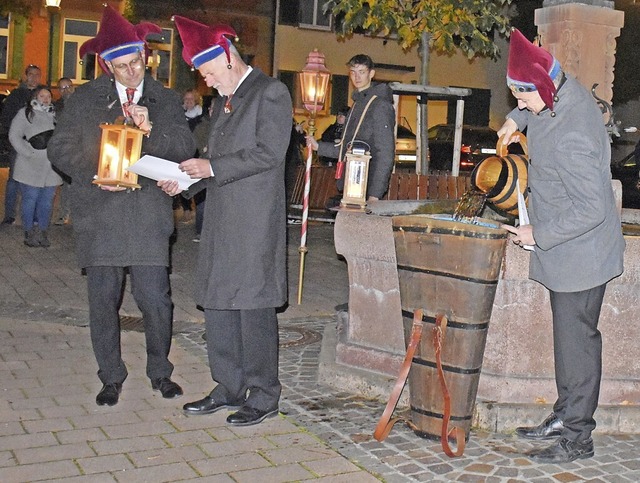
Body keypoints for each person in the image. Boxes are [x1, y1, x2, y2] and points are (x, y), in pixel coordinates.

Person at [47, 6, 196, 407]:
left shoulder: (163, 98)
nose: (132, 72)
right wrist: (98, 171)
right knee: (103, 301)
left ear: (144, 55)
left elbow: (184, 149)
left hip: (147, 215)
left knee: (155, 300)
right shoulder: (84, 99)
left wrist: (151, 131)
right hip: (101, 215)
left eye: (137, 62)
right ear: (107, 65)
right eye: (122, 66)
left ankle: (160, 372)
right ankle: (110, 376)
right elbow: (59, 149)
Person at [497, 29, 625, 464]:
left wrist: (539, 235)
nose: (520, 102)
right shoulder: (558, 93)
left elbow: (593, 208)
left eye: (522, 97)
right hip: (569, 252)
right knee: (567, 341)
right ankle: (564, 414)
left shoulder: (575, 134)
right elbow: (538, 108)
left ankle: (578, 437)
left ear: (544, 87)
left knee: (578, 344)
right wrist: (518, 119)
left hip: (581, 254)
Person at [163, 15, 291, 426]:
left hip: (253, 225)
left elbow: (269, 153)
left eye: (209, 72)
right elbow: (214, 164)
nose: (208, 82)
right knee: (218, 304)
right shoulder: (223, 102)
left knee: (252, 307)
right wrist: (184, 184)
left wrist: (211, 167)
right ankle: (229, 385)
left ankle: (264, 392)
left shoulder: (270, 92)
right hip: (220, 221)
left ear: (226, 56)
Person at [306, 54, 395, 202]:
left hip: (366, 186)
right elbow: (348, 146)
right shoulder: (358, 102)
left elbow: (385, 152)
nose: (357, 77)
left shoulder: (379, 105)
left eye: (362, 72)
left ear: (371, 74)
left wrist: (375, 194)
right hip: (354, 183)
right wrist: (319, 147)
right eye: (353, 72)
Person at [8, 86, 62, 247]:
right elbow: (14, 135)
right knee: (30, 199)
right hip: (30, 165)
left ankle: (43, 231)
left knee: (46, 201)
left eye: (48, 96)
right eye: (42, 95)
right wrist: (27, 152)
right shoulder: (26, 113)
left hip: (50, 165)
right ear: (35, 97)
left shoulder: (55, 115)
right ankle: (29, 231)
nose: (45, 99)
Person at [0, 64, 43, 225]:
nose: (34, 78)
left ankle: (34, 216)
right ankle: (9, 215)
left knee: (36, 180)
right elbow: (6, 118)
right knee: (13, 181)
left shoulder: (43, 94)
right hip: (20, 144)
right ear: (26, 76)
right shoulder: (17, 95)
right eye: (31, 74)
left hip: (38, 146)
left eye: (37, 75)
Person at [53, 77, 74, 225]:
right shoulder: (56, 107)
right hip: (65, 149)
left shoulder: (83, 103)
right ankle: (64, 214)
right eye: (62, 88)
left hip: (82, 148)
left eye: (68, 87)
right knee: (67, 183)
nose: (66, 90)